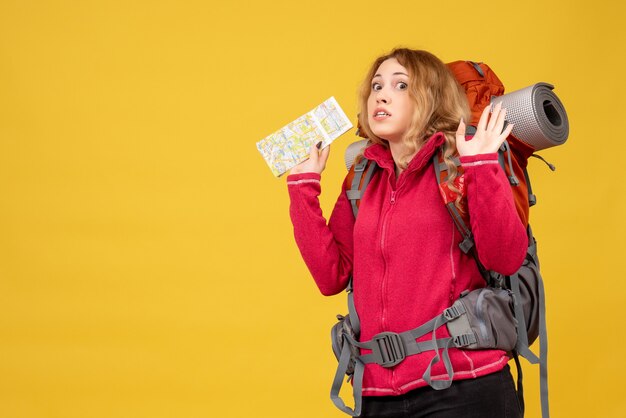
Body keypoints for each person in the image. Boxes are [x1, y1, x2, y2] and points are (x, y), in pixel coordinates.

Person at [286, 48, 528, 417]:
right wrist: (304, 187)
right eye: (376, 86)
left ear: (430, 99)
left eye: (400, 85)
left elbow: (505, 257)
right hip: (376, 393)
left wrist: (481, 164)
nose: (380, 95)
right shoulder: (363, 178)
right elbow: (330, 276)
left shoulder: (461, 162)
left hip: (464, 384)